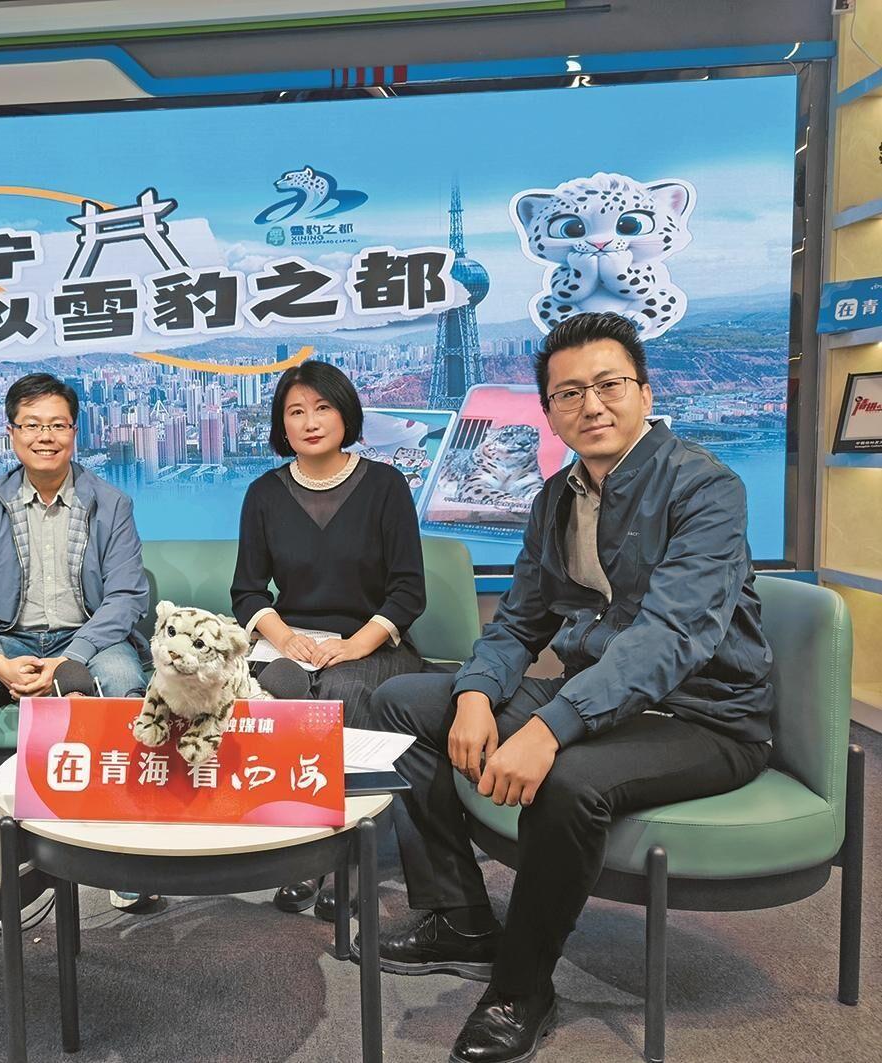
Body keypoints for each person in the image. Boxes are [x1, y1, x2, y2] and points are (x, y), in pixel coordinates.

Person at [366, 313, 775, 1063]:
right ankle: (460, 916)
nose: (591, 405)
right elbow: (518, 621)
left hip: (703, 717)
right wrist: (473, 695)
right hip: (598, 700)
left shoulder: (706, 487)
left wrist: (550, 726)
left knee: (567, 781)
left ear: (644, 392)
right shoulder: (555, 496)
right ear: (550, 411)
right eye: (568, 393)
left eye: (608, 385)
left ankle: (520, 988)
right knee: (402, 703)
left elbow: (670, 636)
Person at [0, 372, 153, 910]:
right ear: (11, 433)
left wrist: (71, 659)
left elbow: (125, 597)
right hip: (10, 638)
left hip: (88, 637)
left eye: (57, 425)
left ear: (75, 432)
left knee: (122, 682)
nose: (45, 436)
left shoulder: (111, 503)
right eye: (31, 425)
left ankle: (122, 846)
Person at [231, 360, 427, 916]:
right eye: (296, 412)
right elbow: (247, 591)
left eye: (323, 408)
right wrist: (284, 637)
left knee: (342, 691)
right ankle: (297, 850)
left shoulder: (385, 485)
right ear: (282, 425)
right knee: (277, 689)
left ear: (346, 415)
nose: (311, 422)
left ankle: (348, 860)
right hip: (293, 640)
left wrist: (356, 643)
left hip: (370, 642)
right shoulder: (264, 493)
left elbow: (408, 590)